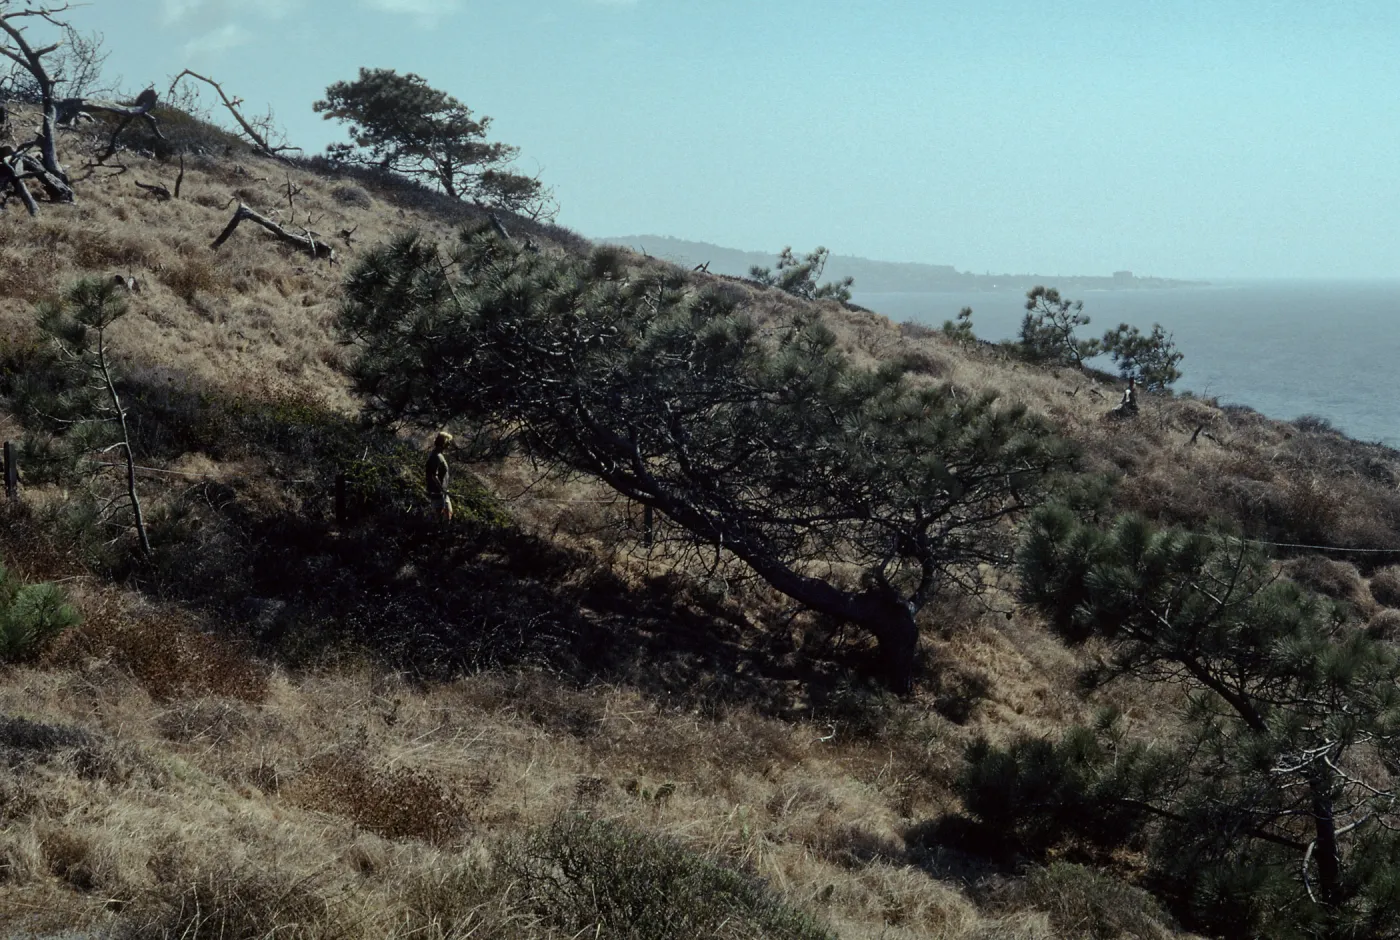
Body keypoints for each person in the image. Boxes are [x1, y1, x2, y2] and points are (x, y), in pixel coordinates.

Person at [425, 432, 453, 522]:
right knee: (439, 518)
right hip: (437, 493)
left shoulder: (440, 455)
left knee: (448, 515)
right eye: (448, 443)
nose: (449, 445)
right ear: (443, 443)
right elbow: (433, 475)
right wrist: (441, 489)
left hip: (442, 493)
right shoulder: (435, 456)